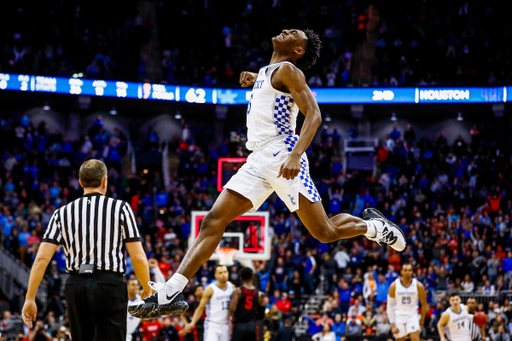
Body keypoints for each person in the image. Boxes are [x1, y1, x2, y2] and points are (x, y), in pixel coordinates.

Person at [129, 28, 406, 318]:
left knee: (324, 232)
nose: (285, 31)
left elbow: (314, 115)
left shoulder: (289, 70)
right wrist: (256, 80)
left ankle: (375, 228)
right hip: (257, 158)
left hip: (281, 153)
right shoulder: (268, 71)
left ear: (298, 51)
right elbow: (272, 97)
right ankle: (171, 292)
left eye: (293, 34)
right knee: (213, 220)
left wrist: (296, 155)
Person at [22, 159, 151, 341]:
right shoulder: (121, 208)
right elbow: (137, 256)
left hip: (76, 286)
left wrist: (30, 298)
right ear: (105, 181)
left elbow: (42, 257)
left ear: (81, 182)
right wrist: (146, 287)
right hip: (109, 285)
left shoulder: (61, 213)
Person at [185, 265, 234, 341]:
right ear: (215, 275)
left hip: (226, 325)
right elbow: (200, 308)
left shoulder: (232, 287)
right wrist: (192, 322)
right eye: (220, 273)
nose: (223, 274)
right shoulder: (210, 289)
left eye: (225, 272)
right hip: (213, 325)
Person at [387, 264, 427, 341]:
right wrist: (392, 325)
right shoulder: (394, 286)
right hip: (398, 316)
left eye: (410, 270)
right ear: (401, 272)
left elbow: (424, 304)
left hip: (412, 316)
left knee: (416, 339)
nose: (408, 272)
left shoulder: (419, 286)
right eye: (405, 270)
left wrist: (422, 322)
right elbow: (389, 306)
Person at [229, 267, 265, 341]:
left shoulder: (238, 291)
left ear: (241, 278)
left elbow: (232, 309)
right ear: (253, 277)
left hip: (239, 326)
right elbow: (261, 315)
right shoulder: (260, 294)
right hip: (251, 326)